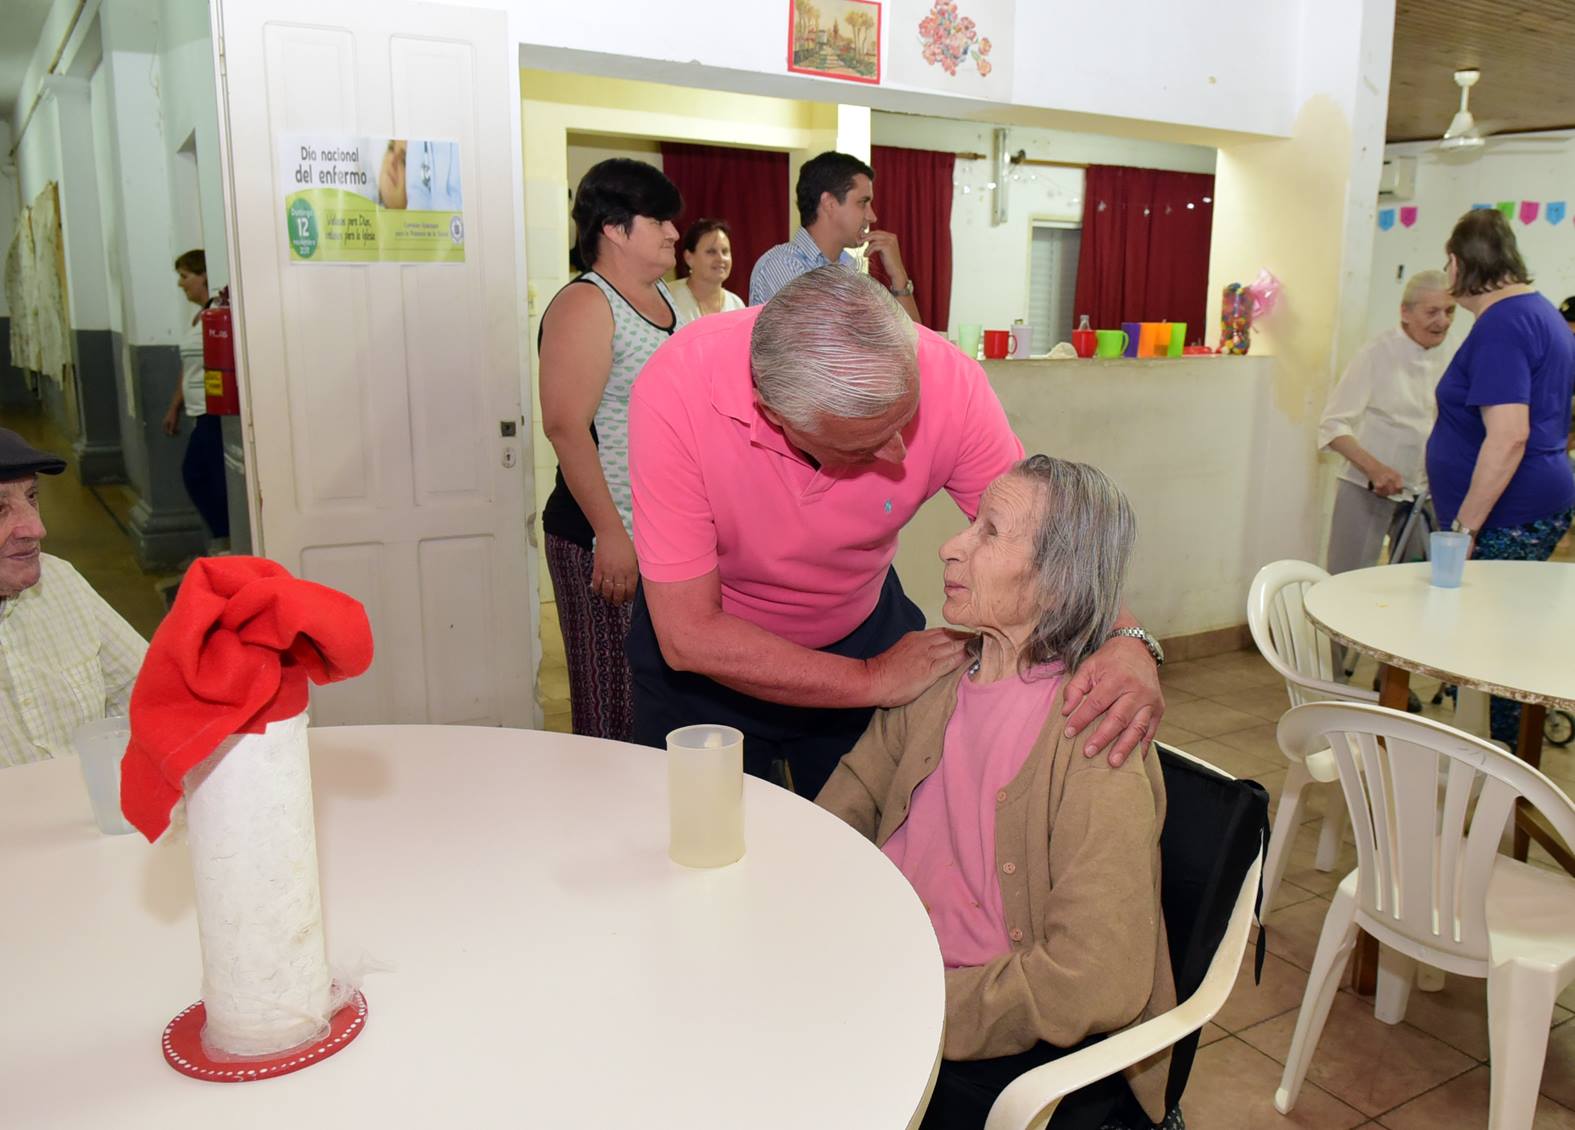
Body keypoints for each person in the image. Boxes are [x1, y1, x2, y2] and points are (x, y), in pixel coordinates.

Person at [627, 268, 1167, 799]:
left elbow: (1042, 544)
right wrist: (869, 679)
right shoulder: (679, 388)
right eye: (864, 447)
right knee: (702, 848)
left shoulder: (949, 381)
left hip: (860, 620)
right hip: (712, 662)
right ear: (775, 416)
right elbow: (689, 633)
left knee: (865, 843)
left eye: (903, 422)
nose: (898, 456)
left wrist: (1128, 640)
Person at [817, 456, 1174, 1130]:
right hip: (881, 954)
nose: (952, 545)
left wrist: (913, 1004)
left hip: (977, 1013)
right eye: (968, 525)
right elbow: (850, 799)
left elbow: (1093, 976)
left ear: (1057, 579)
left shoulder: (1093, 740)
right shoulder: (940, 670)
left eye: (989, 532)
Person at [540, 158, 680, 741]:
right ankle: (596, 825)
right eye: (660, 221)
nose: (675, 232)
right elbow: (566, 427)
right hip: (604, 535)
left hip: (662, 536)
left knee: (658, 699)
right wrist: (613, 534)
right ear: (616, 229)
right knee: (610, 706)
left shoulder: (667, 300)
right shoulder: (586, 304)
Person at [1427, 208, 1575, 743]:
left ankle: (1497, 761)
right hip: (1541, 499)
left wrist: (1463, 530)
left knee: (1491, 652)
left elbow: (1509, 434)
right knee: (1513, 643)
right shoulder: (1541, 313)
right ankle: (1507, 756)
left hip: (1508, 515)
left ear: (1459, 262)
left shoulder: (1502, 324)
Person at [0, 428, 147, 766]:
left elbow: (149, 694)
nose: (36, 529)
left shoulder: (58, 580)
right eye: (0, 508)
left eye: (32, 497)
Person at [1318, 270, 1455, 575]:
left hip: (1423, 493)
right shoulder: (1375, 354)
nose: (1443, 321)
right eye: (1432, 312)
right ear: (1405, 312)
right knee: (1348, 580)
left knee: (1414, 584)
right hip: (1367, 488)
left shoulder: (1454, 354)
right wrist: (1375, 469)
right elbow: (1333, 425)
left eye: (1450, 311)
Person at [748, 151, 922, 322]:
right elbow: (821, 342)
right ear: (829, 203)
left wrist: (898, 276)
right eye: (862, 203)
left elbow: (916, 344)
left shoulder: (851, 272)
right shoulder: (782, 265)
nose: (872, 216)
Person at [162, 250, 229, 550]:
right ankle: (223, 539)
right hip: (198, 411)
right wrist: (175, 405)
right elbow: (189, 367)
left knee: (199, 475)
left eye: (184, 276)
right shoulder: (199, 316)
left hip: (214, 414)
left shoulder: (218, 314)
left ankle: (225, 540)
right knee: (206, 477)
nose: (180, 284)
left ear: (203, 275)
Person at [668, 218, 745, 324]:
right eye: (711, 252)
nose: (721, 258)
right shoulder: (668, 296)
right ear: (689, 258)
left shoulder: (736, 304)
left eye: (725, 251)